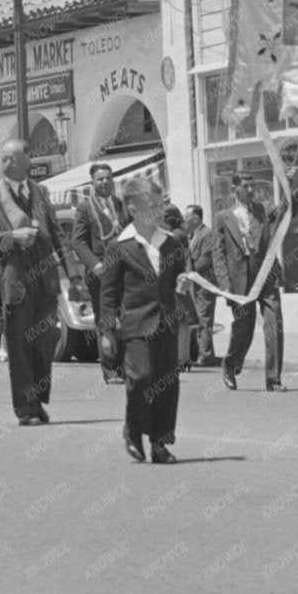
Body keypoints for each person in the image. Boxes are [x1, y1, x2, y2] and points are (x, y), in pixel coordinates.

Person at [0, 136, 70, 426]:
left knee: (44, 344)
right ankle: (26, 408)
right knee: (19, 348)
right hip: (13, 284)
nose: (5, 163)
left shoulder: (40, 192)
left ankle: (37, 399)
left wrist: (74, 276)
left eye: (12, 158)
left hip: (45, 283)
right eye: (3, 158)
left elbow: (56, 233)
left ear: (27, 159)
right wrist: (11, 237)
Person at [98, 173, 185, 464]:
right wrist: (107, 331)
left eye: (161, 205)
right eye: (152, 206)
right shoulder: (118, 246)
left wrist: (184, 284)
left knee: (167, 383)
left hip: (167, 322)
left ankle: (160, 444)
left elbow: (179, 280)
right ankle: (133, 429)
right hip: (135, 325)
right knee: (141, 378)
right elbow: (108, 293)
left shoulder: (172, 243)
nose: (159, 211)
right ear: (133, 210)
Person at [215, 174, 285, 392]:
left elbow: (287, 209)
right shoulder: (223, 217)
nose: (251, 190)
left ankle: (273, 379)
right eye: (246, 186)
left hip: (266, 275)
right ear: (234, 190)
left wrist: (289, 184)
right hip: (240, 282)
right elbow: (218, 254)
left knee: (274, 325)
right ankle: (230, 363)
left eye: (252, 185)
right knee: (243, 330)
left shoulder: (264, 209)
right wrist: (225, 285)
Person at [67, 161, 128, 384]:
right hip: (100, 271)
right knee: (106, 320)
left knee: (125, 319)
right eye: (100, 179)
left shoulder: (121, 205)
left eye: (108, 178)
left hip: (123, 271)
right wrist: (94, 264)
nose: (105, 182)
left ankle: (125, 366)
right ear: (92, 183)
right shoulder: (85, 208)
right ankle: (111, 369)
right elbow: (78, 242)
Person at [182, 206, 217, 370]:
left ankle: (205, 355)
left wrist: (188, 267)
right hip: (193, 285)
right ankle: (201, 353)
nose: (184, 220)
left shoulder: (207, 234)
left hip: (204, 284)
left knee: (204, 320)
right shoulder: (191, 235)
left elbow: (205, 260)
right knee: (197, 320)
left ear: (196, 218)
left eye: (187, 216)